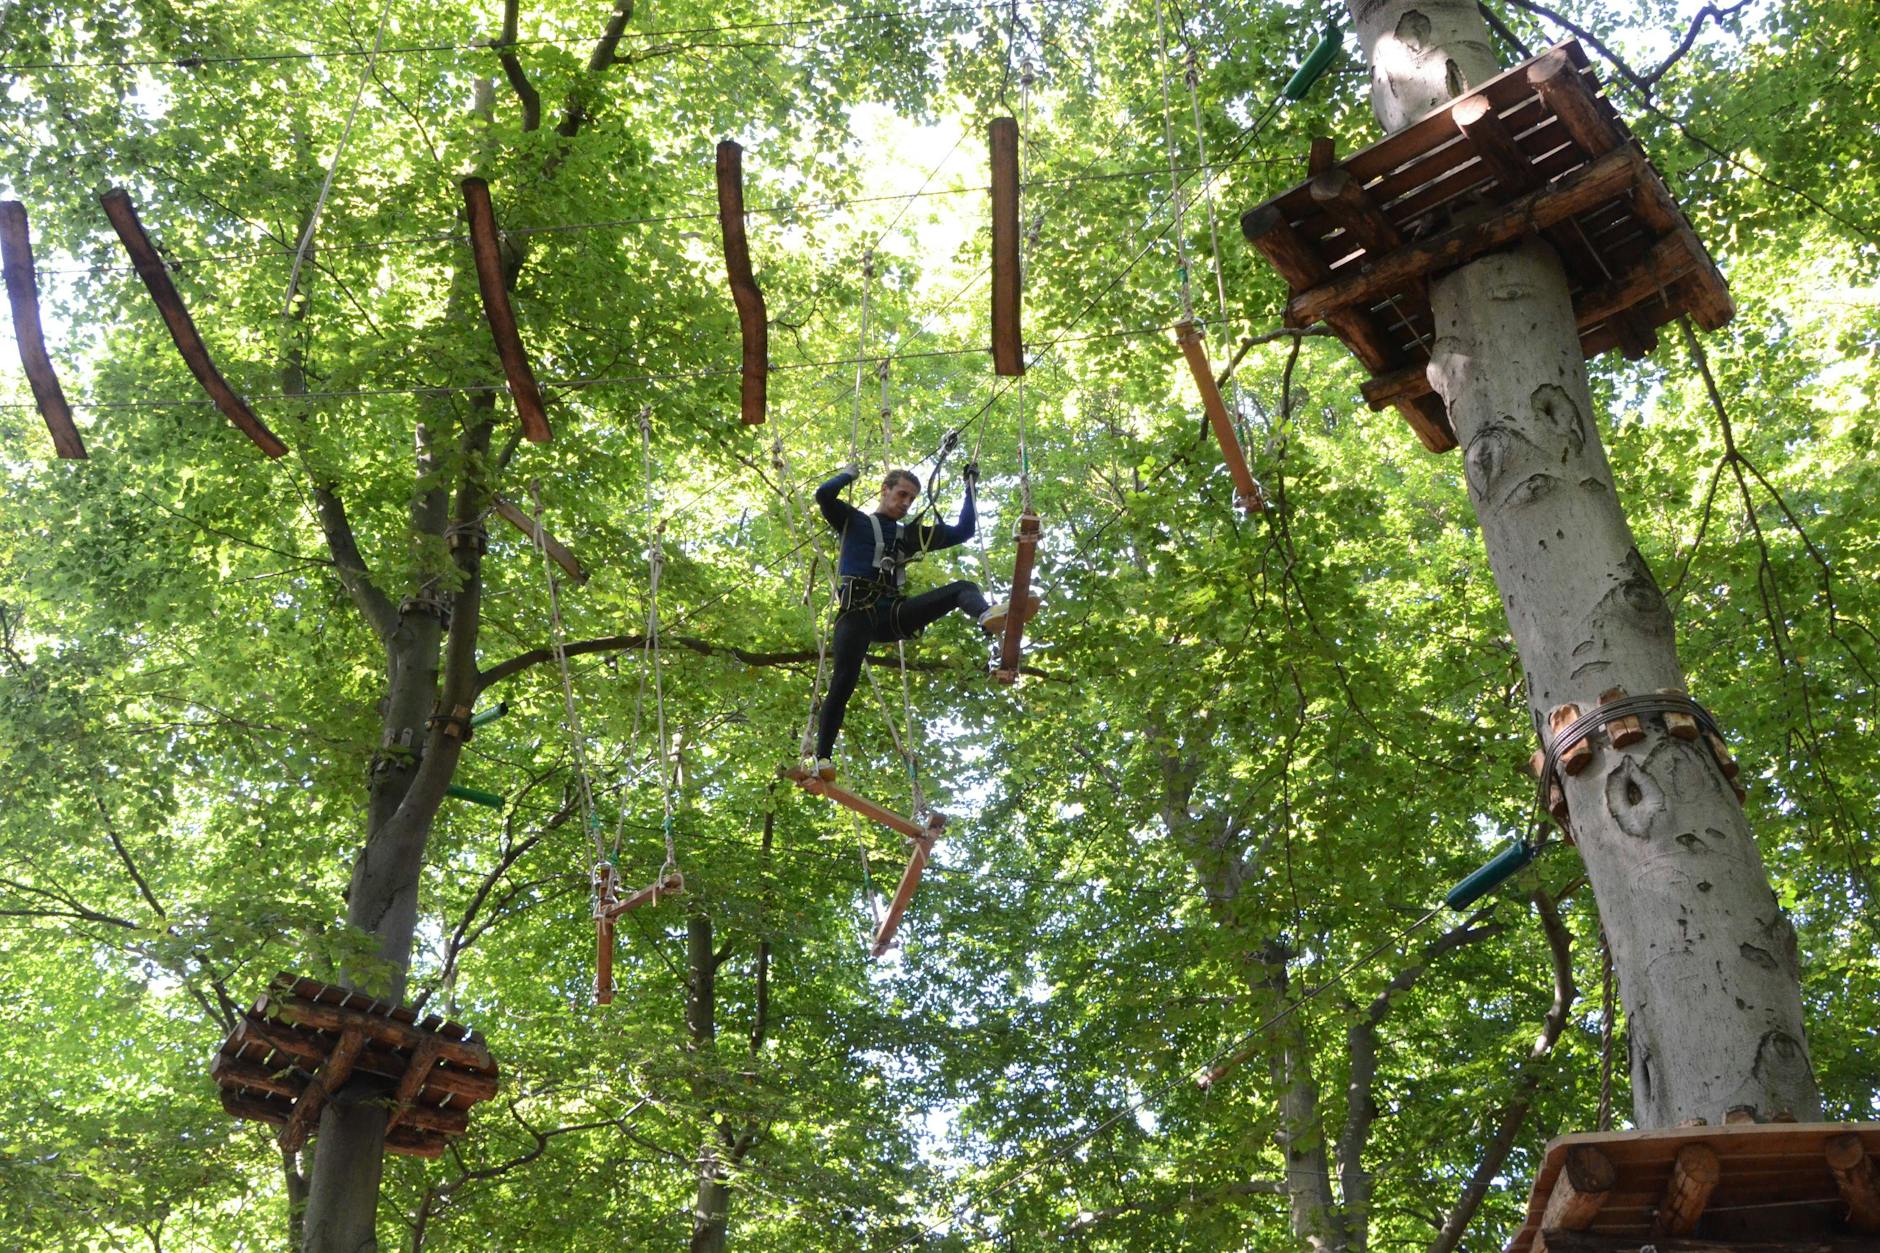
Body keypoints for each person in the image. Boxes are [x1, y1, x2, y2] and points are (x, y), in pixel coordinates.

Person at [808, 463, 1020, 781]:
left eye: (912, 498)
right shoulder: (854, 521)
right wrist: (849, 474)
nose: (907, 503)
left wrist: (970, 486)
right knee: (843, 682)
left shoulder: (909, 535)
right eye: (902, 494)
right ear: (886, 490)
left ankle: (985, 616)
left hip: (892, 614)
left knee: (962, 587)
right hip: (856, 613)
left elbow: (964, 531)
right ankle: (822, 758)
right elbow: (824, 495)